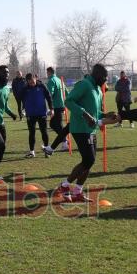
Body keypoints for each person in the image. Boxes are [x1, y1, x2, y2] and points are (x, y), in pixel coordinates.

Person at [54, 64, 120, 202]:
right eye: (104, 77)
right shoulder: (84, 84)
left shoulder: (98, 90)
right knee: (88, 160)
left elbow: (95, 112)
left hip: (91, 129)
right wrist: (84, 114)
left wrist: (105, 115)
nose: (106, 80)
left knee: (89, 162)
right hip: (80, 128)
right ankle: (64, 185)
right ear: (97, 75)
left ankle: (78, 191)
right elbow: (69, 101)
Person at [21, 73, 53, 158]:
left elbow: (49, 97)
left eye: (33, 81)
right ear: (27, 81)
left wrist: (51, 108)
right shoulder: (25, 88)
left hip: (42, 113)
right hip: (30, 114)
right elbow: (22, 99)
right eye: (29, 82)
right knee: (31, 133)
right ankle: (32, 152)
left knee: (44, 132)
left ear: (35, 78)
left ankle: (46, 150)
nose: (32, 83)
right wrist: (23, 109)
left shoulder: (42, 86)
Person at [45, 67, 69, 152]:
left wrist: (48, 106)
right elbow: (67, 92)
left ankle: (65, 142)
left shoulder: (51, 81)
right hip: (62, 105)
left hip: (56, 106)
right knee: (53, 124)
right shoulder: (59, 80)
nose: (47, 74)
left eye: (47, 73)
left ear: (49, 72)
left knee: (58, 125)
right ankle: (65, 140)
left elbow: (49, 94)